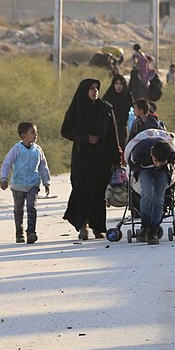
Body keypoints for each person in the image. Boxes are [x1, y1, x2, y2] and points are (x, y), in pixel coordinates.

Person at [61, 78, 122, 240]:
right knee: (81, 190)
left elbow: (113, 135)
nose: (95, 91)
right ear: (84, 91)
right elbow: (65, 131)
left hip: (101, 158)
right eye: (91, 88)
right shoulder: (77, 109)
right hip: (82, 158)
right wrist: (85, 138)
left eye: (96, 88)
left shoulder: (106, 108)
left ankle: (98, 227)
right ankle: (83, 225)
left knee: (97, 192)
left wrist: (117, 160)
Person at [1, 122, 51, 244]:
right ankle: (19, 233)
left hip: (33, 185)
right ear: (24, 135)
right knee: (18, 210)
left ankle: (31, 232)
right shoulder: (17, 149)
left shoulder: (38, 150)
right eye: (32, 132)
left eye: (36, 132)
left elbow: (43, 166)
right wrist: (4, 178)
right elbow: (6, 164)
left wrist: (46, 182)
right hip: (18, 185)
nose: (36, 134)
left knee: (31, 208)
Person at [130, 137, 175, 245]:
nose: (158, 164)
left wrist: (165, 167)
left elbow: (173, 165)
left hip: (163, 172)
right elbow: (132, 163)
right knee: (146, 194)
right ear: (151, 153)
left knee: (158, 198)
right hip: (144, 169)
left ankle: (153, 230)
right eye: (156, 161)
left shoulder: (172, 154)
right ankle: (145, 226)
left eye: (162, 162)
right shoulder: (140, 151)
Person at [102, 74, 134, 147]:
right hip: (109, 128)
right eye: (116, 83)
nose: (118, 86)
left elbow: (132, 110)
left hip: (122, 127)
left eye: (120, 84)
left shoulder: (127, 96)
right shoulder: (109, 95)